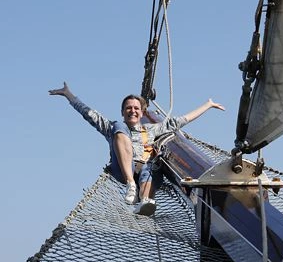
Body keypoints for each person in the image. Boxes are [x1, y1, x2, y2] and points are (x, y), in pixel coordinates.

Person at [49, 82, 225, 216]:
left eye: (136, 108)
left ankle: (145, 200)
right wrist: (68, 94)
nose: (132, 111)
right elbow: (88, 113)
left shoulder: (151, 129)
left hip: (146, 170)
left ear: (142, 113)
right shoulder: (113, 126)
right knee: (118, 127)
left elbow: (180, 121)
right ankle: (131, 185)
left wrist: (207, 105)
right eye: (128, 108)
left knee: (153, 164)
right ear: (122, 111)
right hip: (124, 169)